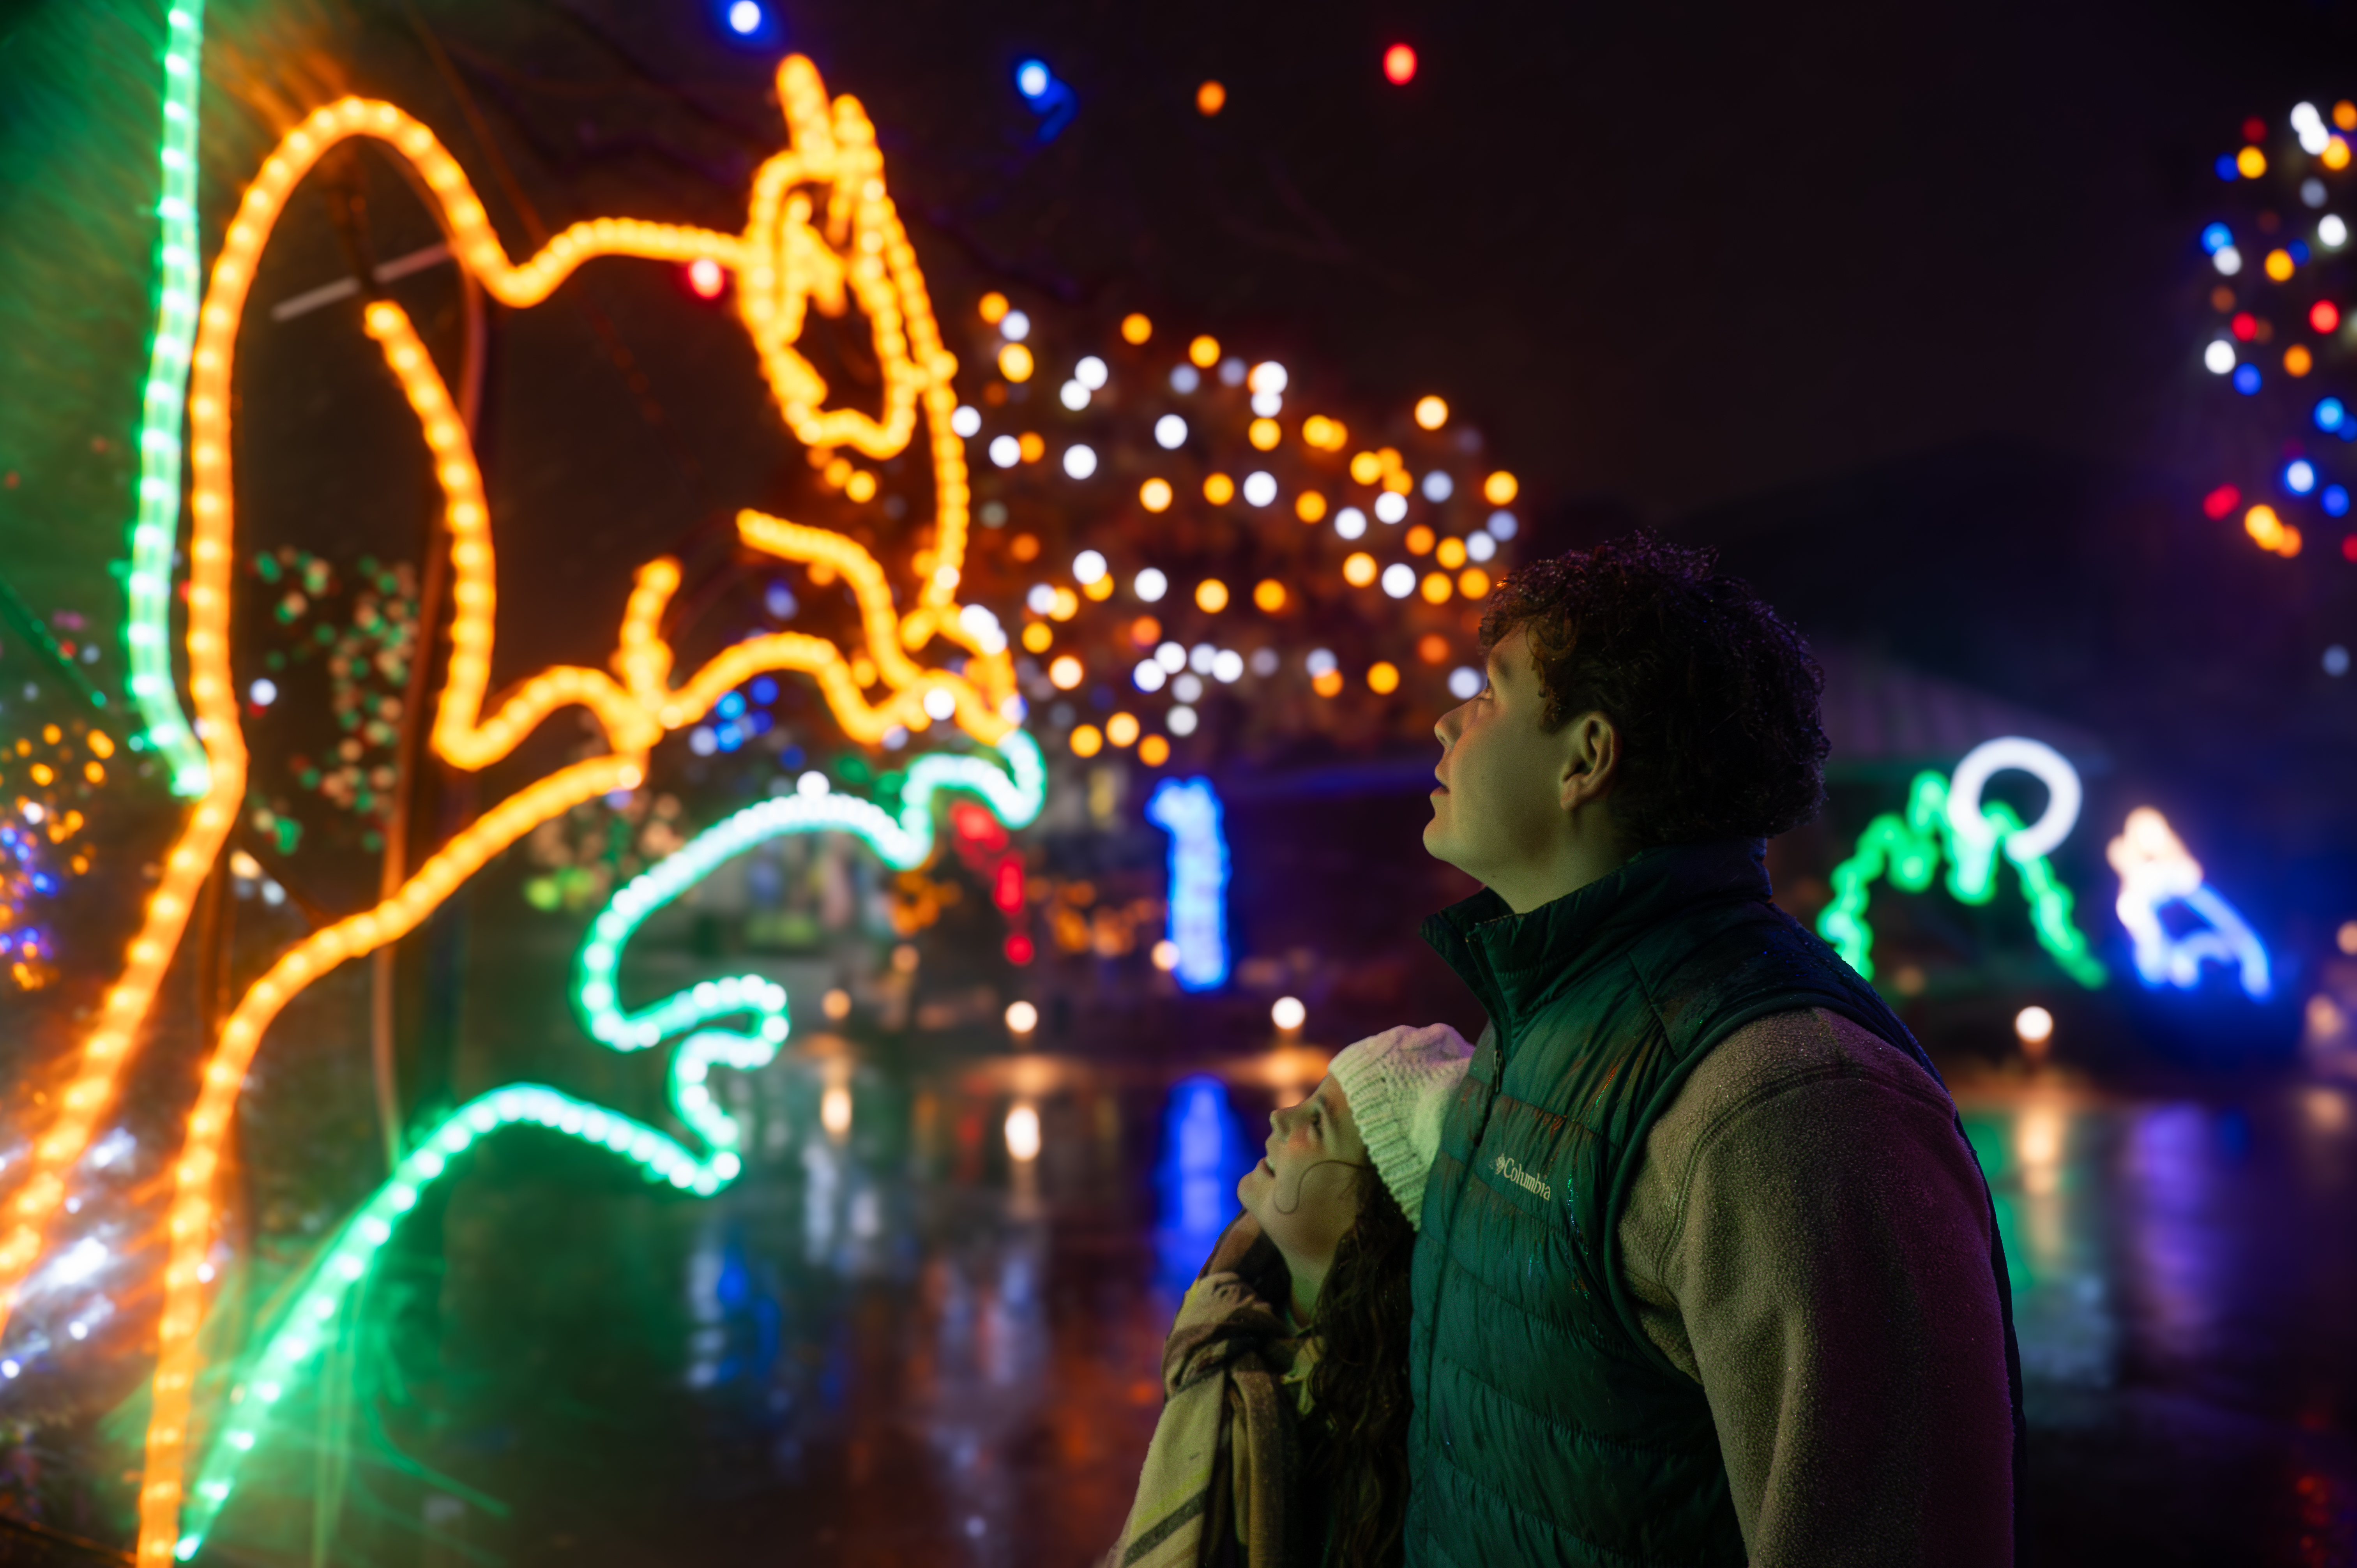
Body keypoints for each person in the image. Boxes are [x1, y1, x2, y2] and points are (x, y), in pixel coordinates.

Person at [1406, 533, 2023, 1566]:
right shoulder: (1542, 1018)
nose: (1444, 722)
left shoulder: (1789, 1101)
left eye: (1490, 695)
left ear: (1586, 758)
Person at [1108, 1024, 1474, 1568]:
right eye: (1310, 1099)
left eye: (1318, 1123)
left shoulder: (1398, 1436)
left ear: (1373, 1220)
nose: (1283, 1116)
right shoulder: (1228, 1321)